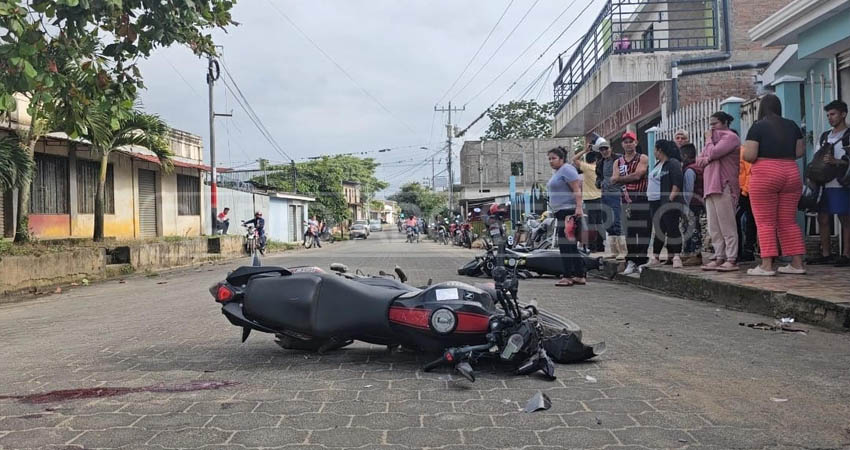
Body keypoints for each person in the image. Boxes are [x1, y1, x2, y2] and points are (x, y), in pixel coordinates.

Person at [742, 93, 807, 276]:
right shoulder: (792, 125)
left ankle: (767, 265)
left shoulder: (757, 126)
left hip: (766, 173)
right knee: (788, 221)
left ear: (762, 108)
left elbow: (749, 155)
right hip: (791, 172)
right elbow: (799, 152)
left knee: (765, 222)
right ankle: (797, 264)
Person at [696, 111, 741, 272]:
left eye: (715, 123)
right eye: (711, 124)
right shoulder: (713, 141)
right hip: (710, 186)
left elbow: (713, 153)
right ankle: (719, 255)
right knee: (714, 226)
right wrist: (708, 157)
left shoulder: (730, 137)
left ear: (725, 123)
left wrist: (709, 146)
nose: (712, 127)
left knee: (727, 224)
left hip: (724, 185)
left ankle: (731, 258)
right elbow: (699, 160)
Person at [809, 100, 850, 266]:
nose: (830, 118)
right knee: (823, 218)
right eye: (828, 115)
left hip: (841, 183)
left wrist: (837, 162)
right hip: (823, 184)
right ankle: (825, 253)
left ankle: (847, 254)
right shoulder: (825, 136)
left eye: (833, 114)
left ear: (843, 114)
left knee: (845, 218)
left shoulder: (848, 136)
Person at [546, 146, 586, 287]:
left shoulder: (567, 169)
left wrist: (579, 207)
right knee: (570, 245)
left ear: (561, 159)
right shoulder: (558, 172)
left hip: (568, 211)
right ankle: (579, 275)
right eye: (549, 159)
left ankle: (568, 276)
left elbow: (577, 189)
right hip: (561, 212)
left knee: (566, 245)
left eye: (554, 158)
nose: (551, 161)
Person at [612, 131, 649, 275]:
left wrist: (622, 178)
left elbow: (639, 174)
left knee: (644, 230)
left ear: (636, 142)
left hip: (642, 197)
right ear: (622, 144)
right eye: (626, 142)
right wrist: (629, 178)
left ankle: (642, 260)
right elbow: (613, 179)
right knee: (631, 232)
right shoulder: (618, 162)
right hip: (626, 199)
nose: (628, 144)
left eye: (631, 141)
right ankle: (631, 261)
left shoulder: (642, 157)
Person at [645, 140, 684, 268]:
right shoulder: (658, 165)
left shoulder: (672, 163)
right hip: (654, 202)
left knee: (672, 227)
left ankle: (677, 255)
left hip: (667, 201)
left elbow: (677, 182)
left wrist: (670, 199)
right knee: (659, 229)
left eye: (655, 149)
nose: (654, 152)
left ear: (659, 150)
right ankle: (656, 256)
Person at [594, 137, 627, 259]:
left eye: (606, 148)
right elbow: (598, 176)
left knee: (616, 221)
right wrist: (599, 183)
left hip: (616, 193)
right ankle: (614, 250)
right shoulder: (600, 162)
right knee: (607, 222)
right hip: (604, 194)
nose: (604, 151)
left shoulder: (619, 159)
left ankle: (622, 251)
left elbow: (625, 174)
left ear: (610, 148)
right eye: (602, 149)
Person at [573, 146, 603, 252]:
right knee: (600, 223)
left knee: (591, 224)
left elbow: (574, 159)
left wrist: (584, 151)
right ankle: (601, 246)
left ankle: (593, 247)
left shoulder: (586, 167)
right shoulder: (600, 168)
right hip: (600, 198)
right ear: (596, 160)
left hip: (589, 199)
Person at [680, 144, 705, 266]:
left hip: (692, 204)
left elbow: (688, 191)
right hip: (697, 203)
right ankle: (690, 254)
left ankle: (695, 255)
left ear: (685, 155)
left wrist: (685, 207)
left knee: (693, 229)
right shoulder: (697, 167)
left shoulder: (690, 170)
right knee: (693, 228)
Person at [736, 145, 757, 262]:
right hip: (742, 190)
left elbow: (749, 171)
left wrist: (745, 190)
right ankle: (746, 249)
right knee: (750, 220)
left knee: (747, 220)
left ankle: (746, 250)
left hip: (745, 191)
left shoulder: (742, 152)